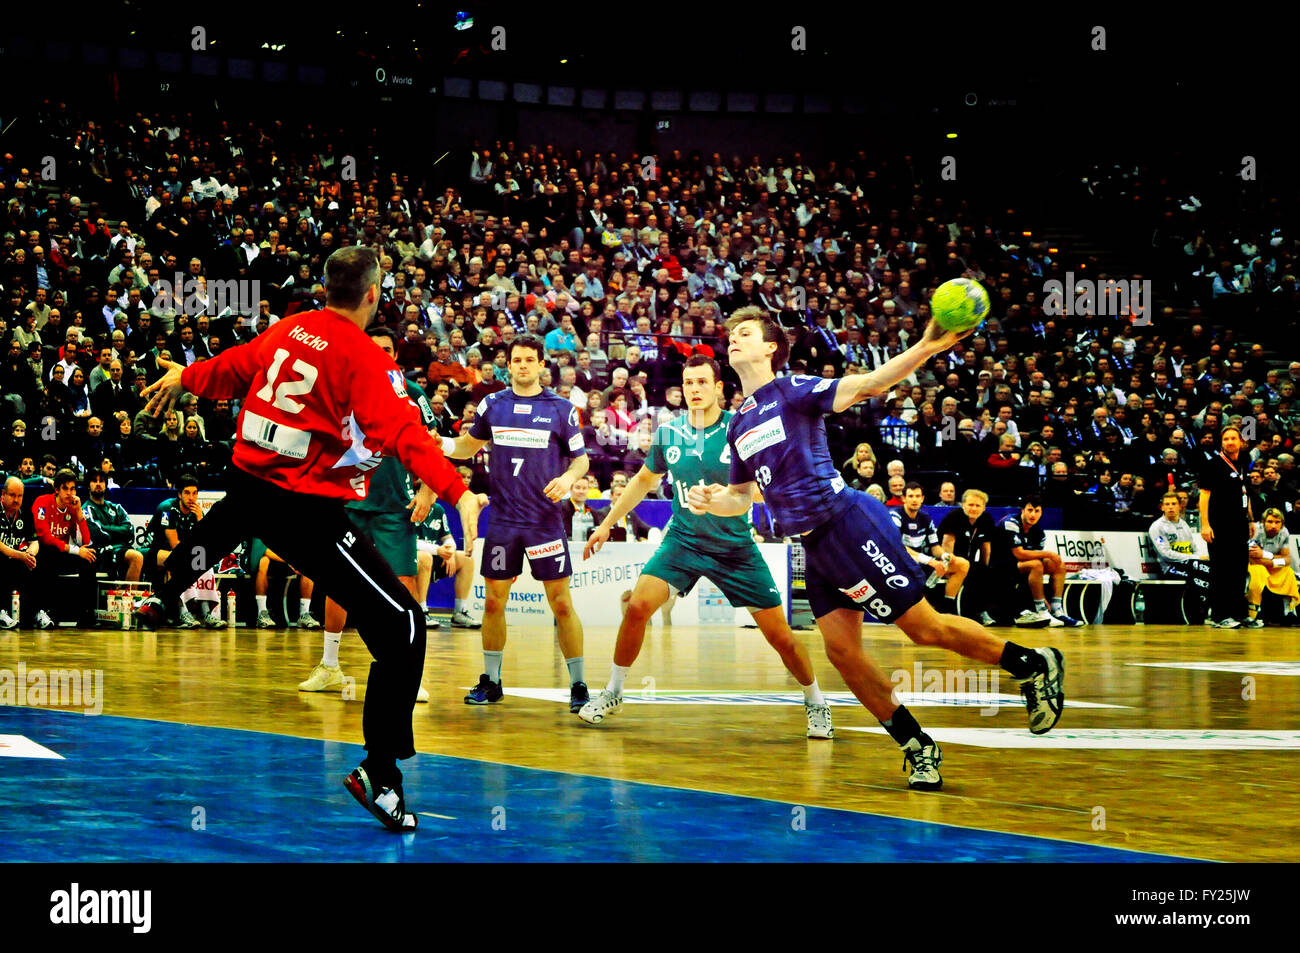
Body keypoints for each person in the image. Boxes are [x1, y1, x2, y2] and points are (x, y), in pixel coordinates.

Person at [138, 246, 481, 833]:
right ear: (373, 294)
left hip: (249, 483)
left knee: (231, 518)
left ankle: (162, 590)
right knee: (404, 627)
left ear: (326, 288)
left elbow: (231, 369)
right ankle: (381, 775)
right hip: (305, 510)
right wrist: (457, 491)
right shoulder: (363, 357)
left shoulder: (287, 329)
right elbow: (402, 430)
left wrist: (185, 377)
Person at [687, 307, 1064, 791]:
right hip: (812, 546)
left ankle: (1033, 665)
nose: (733, 339)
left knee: (923, 629)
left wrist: (928, 346)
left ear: (769, 348)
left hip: (845, 522)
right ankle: (916, 745)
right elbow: (741, 499)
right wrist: (709, 500)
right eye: (731, 334)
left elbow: (867, 384)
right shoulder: (737, 424)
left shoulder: (795, 391)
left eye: (745, 333)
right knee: (842, 653)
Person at [579, 355, 833, 739]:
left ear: (718, 388)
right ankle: (613, 691)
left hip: (736, 547)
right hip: (683, 540)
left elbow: (763, 491)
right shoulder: (669, 434)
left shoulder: (741, 429)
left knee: (780, 636)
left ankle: (815, 700)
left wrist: (730, 496)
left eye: (702, 382)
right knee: (637, 607)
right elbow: (643, 480)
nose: (694, 390)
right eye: (688, 383)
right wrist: (606, 523)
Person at [299, 326, 457, 699]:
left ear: (396, 354)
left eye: (387, 348)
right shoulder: (342, 388)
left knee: (404, 587)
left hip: (393, 507)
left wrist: (428, 490)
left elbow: (433, 447)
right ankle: (329, 665)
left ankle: (409, 673)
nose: (380, 353)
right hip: (347, 502)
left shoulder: (412, 394)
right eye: (373, 348)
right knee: (338, 583)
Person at [442, 333, 590, 712]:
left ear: (542, 364)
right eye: (516, 360)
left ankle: (578, 685)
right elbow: (465, 448)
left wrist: (569, 479)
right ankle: (491, 681)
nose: (522, 365)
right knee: (493, 603)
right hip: (504, 521)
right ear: (509, 365)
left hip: (544, 521)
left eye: (529, 359)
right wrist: (437, 444)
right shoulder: (493, 405)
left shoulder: (561, 408)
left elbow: (581, 460)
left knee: (560, 604)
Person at [141, 474, 222, 629]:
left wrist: (200, 521)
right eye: (187, 493)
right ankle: (181, 612)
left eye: (194, 493)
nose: (191, 498)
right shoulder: (167, 509)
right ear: (179, 494)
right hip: (152, 551)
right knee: (179, 559)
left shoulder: (197, 512)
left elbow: (204, 545)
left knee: (204, 560)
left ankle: (206, 613)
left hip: (177, 552)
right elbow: (174, 545)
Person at [994, 496, 1084, 627]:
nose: (1033, 514)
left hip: (1019, 566)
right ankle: (1041, 610)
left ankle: (1057, 609)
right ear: (1022, 510)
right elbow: (1018, 553)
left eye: (1037, 511)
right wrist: (1050, 554)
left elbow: (1036, 556)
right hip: (1000, 564)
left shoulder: (1038, 532)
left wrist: (1051, 558)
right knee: (1036, 564)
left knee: (1059, 565)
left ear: (1041, 513)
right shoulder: (1011, 522)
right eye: (1030, 510)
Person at [1198, 426, 1254, 628]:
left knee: (1239, 570)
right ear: (1222, 443)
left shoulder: (1243, 463)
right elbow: (1204, 495)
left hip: (1239, 525)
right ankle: (1219, 616)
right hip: (1219, 525)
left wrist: (1251, 519)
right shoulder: (1213, 464)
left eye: (1233, 438)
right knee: (1222, 570)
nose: (1230, 442)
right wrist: (1205, 525)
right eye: (1226, 439)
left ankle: (1239, 614)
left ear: (1241, 442)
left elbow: (1244, 492)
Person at [31, 468, 99, 629]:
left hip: (63, 552)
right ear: (56, 489)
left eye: (73, 489)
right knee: (51, 551)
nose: (70, 493)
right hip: (43, 554)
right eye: (65, 489)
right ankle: (47, 610)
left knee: (90, 557)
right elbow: (45, 537)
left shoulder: (72, 507)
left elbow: (85, 542)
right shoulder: (42, 502)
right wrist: (76, 550)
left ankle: (86, 613)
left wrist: (79, 514)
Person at [890, 482, 969, 615]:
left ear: (922, 498)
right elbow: (898, 547)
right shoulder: (896, 516)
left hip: (921, 562)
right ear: (904, 498)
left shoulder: (925, 518)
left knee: (962, 564)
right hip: (900, 563)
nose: (914, 499)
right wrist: (931, 562)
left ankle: (947, 608)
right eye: (911, 496)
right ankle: (925, 602)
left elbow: (935, 547)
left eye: (917, 496)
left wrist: (945, 556)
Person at [415, 495, 483, 630]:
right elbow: (409, 541)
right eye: (431, 489)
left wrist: (450, 552)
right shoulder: (410, 507)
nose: (435, 493)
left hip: (434, 555)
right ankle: (421, 612)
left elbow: (448, 537)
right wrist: (438, 550)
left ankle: (459, 613)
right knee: (425, 557)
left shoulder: (438, 509)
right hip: (411, 558)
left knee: (466, 559)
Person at [938, 489, 999, 626]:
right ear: (963, 504)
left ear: (983, 508)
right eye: (970, 504)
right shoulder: (954, 517)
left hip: (969, 562)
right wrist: (947, 567)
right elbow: (947, 544)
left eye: (978, 506)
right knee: (968, 570)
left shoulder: (986, 520)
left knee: (986, 572)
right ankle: (952, 611)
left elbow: (986, 547)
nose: (973, 508)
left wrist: (985, 568)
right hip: (947, 559)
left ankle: (981, 611)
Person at [1149, 491, 1211, 622]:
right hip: (1170, 567)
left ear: (1180, 506)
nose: (1170, 507)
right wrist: (1195, 559)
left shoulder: (1184, 524)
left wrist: (1198, 557)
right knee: (1197, 573)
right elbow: (1166, 554)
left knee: (1211, 568)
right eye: (1167, 504)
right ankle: (1196, 615)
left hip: (1189, 564)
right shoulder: (1157, 527)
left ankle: (1209, 610)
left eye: (1173, 504)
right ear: (1162, 507)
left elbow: (1193, 549)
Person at [82, 469, 144, 582]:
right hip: (100, 553)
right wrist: (119, 533)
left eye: (101, 481)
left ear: (106, 485)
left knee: (151, 556)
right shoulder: (86, 510)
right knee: (136, 557)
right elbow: (98, 535)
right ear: (88, 486)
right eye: (94, 481)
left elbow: (130, 532)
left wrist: (107, 529)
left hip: (121, 549)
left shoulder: (116, 508)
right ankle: (129, 599)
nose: (98, 484)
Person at [247, 538, 320, 629]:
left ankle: (304, 614)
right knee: (263, 561)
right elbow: (263, 550)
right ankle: (261, 613)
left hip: (286, 565)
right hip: (269, 561)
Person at [1246, 508, 1298, 626]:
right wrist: (1274, 559)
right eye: (1270, 522)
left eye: (1277, 522)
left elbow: (1287, 559)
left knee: (1288, 572)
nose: (1273, 525)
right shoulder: (1255, 531)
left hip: (1270, 564)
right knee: (1259, 571)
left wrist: (1264, 554)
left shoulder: (1284, 532)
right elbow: (1253, 558)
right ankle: (1255, 612)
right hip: (1254, 565)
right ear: (1263, 522)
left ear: (1282, 524)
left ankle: (1289, 612)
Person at [0, 476, 38, 629]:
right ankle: (1, 612)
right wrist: (21, 555)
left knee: (34, 564)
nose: (16, 500)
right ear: (3, 494)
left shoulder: (26, 514)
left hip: (17, 558)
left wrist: (30, 554)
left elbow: (34, 541)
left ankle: (35, 614)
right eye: (12, 495)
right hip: (3, 557)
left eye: (20, 496)